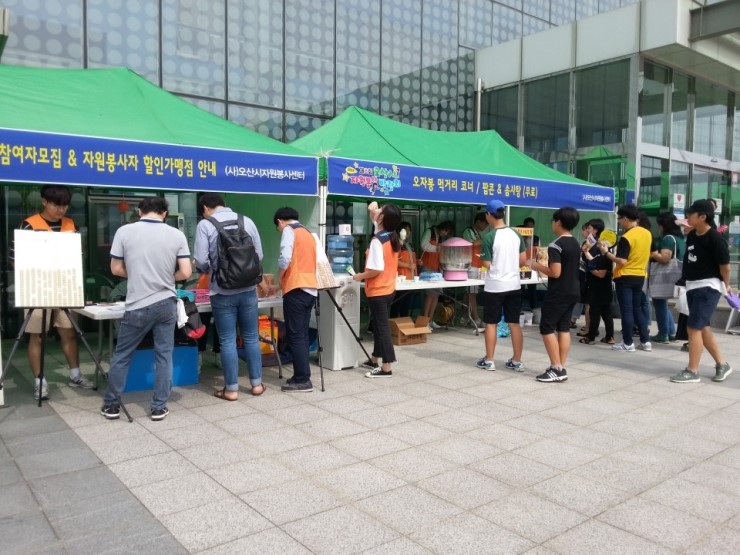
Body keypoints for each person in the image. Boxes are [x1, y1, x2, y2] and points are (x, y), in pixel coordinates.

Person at [100, 197, 192, 421]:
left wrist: (137, 274)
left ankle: (112, 405)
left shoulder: (124, 231)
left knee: (122, 355)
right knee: (164, 356)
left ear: (139, 211)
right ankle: (159, 407)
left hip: (137, 305)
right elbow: (186, 272)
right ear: (165, 213)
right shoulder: (176, 235)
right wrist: (166, 277)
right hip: (166, 303)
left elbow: (115, 268)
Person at [10, 185, 93, 400]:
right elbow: (15, 260)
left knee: (69, 332)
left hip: (65, 287)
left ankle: (75, 374)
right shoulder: (28, 225)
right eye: (57, 205)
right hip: (38, 288)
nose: (61, 210)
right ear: (44, 202)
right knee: (37, 336)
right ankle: (40, 381)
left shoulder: (70, 225)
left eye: (65, 205)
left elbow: (77, 256)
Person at [194, 193, 265, 401]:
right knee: (251, 336)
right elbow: (259, 255)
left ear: (205, 208)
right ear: (224, 204)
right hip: (248, 289)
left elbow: (201, 260)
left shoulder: (205, 225)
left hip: (222, 291)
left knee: (227, 340)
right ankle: (257, 385)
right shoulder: (247, 220)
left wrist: (212, 269)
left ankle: (231, 389)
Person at [670, 200, 732, 383]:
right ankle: (722, 364)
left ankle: (692, 370)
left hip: (708, 287)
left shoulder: (715, 239)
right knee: (702, 327)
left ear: (703, 217)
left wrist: (727, 285)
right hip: (693, 286)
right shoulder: (693, 235)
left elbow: (725, 267)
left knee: (693, 327)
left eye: (691, 214)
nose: (687, 217)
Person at [530, 206, 581, 383]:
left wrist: (536, 265)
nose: (552, 223)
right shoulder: (575, 243)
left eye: (553, 220)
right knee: (563, 328)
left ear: (558, 222)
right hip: (573, 290)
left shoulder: (556, 245)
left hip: (559, 292)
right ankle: (560, 367)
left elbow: (555, 272)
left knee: (546, 328)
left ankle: (556, 367)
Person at [475, 200, 527, 372]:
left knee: (491, 323)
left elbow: (486, 264)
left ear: (488, 215)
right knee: (514, 323)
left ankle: (489, 360)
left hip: (495, 286)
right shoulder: (516, 234)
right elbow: (523, 260)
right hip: (514, 285)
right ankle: (517, 361)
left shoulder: (489, 237)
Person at [274, 207, 318, 392]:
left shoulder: (289, 230)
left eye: (278, 227)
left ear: (280, 221)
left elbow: (285, 259)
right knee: (302, 334)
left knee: (296, 335)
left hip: (296, 289)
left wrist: (279, 278)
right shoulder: (308, 233)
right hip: (310, 288)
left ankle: (302, 379)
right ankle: (302, 374)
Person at [355, 203, 401, 378]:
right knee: (378, 324)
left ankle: (386, 367)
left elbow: (376, 269)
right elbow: (375, 219)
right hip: (389, 288)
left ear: (382, 218)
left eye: (380, 209)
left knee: (382, 328)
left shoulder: (377, 241)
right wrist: (372, 210)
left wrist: (360, 276)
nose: (377, 210)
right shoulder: (390, 234)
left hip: (378, 290)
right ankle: (375, 358)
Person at [601, 204, 652, 353]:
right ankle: (645, 341)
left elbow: (622, 261)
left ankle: (628, 343)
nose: (619, 221)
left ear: (626, 219)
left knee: (627, 311)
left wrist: (606, 252)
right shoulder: (647, 233)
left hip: (625, 276)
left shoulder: (627, 237)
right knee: (637, 309)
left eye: (619, 219)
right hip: (640, 275)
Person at [649, 212, 685, 344]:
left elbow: (665, 258)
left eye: (659, 225)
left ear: (664, 225)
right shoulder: (680, 239)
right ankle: (670, 332)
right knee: (663, 304)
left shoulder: (668, 239)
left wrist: (653, 254)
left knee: (659, 303)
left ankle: (663, 333)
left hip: (665, 276)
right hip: (678, 275)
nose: (658, 227)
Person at [579, 219, 615, 345]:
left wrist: (589, 268)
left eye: (589, 228)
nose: (587, 231)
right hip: (599, 286)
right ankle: (609, 337)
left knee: (595, 312)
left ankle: (591, 338)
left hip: (599, 287)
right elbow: (592, 261)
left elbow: (601, 273)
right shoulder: (597, 251)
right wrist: (585, 252)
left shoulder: (603, 253)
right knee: (606, 312)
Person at [419, 220, 454, 328]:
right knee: (430, 295)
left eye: (447, 233)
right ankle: (425, 321)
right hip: (428, 267)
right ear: (441, 227)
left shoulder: (441, 237)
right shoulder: (429, 232)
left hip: (437, 268)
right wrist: (437, 248)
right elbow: (423, 245)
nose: (445, 234)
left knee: (436, 295)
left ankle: (430, 320)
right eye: (445, 231)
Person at [462, 212, 488, 330]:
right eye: (485, 224)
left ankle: (465, 317)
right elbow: (473, 243)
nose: (485, 227)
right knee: (472, 293)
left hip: (477, 265)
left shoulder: (477, 233)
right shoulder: (468, 231)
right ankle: (476, 318)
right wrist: (485, 239)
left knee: (469, 293)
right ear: (478, 221)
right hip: (471, 266)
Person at [390, 221, 417, 318]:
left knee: (406, 305)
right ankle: (393, 323)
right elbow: (394, 261)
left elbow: (411, 260)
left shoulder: (409, 245)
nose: (408, 232)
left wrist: (417, 262)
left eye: (409, 230)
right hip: (401, 279)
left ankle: (404, 323)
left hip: (411, 278)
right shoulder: (397, 244)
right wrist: (408, 265)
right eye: (405, 230)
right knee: (397, 303)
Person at [520, 217, 540, 311]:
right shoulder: (519, 237)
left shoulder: (536, 238)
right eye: (528, 226)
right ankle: (519, 308)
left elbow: (539, 252)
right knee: (520, 288)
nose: (530, 228)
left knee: (532, 288)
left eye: (532, 226)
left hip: (532, 265)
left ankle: (534, 307)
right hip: (521, 265)